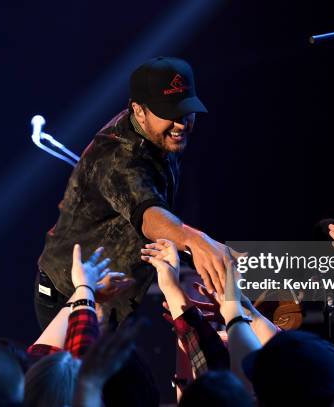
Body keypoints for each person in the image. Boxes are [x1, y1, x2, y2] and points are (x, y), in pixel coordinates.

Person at [36, 56, 235, 328]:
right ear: (138, 110)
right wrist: (195, 241)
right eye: (170, 114)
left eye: (186, 111)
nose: (181, 124)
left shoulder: (159, 132)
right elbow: (149, 215)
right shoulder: (118, 156)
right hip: (73, 296)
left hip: (118, 292)